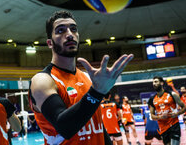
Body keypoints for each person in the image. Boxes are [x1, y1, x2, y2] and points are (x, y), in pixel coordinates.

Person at [28, 10, 134, 144]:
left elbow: (98, 127)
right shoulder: (43, 80)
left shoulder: (86, 77)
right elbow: (64, 127)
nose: (70, 35)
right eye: (61, 31)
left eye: (73, 29)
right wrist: (97, 92)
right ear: (50, 43)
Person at [148, 76, 186, 145]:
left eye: (156, 82)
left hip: (174, 125)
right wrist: (160, 117)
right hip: (163, 128)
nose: (154, 84)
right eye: (153, 82)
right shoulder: (152, 99)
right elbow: (152, 116)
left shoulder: (172, 94)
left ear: (162, 83)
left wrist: (177, 114)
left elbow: (184, 108)